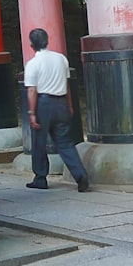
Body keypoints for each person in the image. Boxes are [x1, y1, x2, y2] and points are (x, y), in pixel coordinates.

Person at [24, 27, 89, 192]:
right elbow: (66, 85)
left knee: (39, 142)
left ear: (31, 45)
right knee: (65, 143)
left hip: (43, 104)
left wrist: (32, 113)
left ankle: (40, 178)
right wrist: (70, 105)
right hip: (61, 103)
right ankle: (80, 175)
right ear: (47, 41)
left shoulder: (33, 64)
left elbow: (32, 90)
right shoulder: (61, 59)